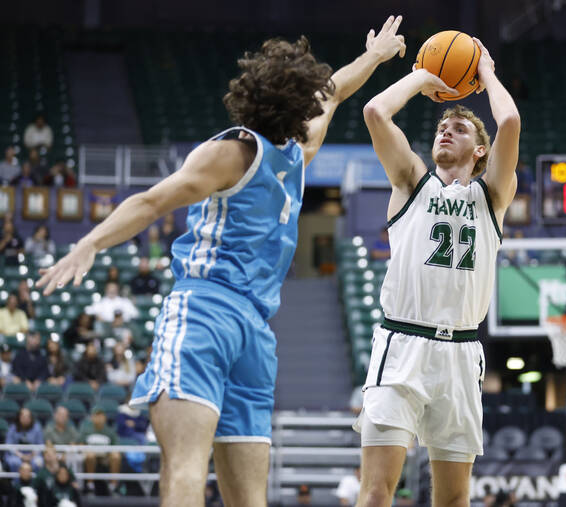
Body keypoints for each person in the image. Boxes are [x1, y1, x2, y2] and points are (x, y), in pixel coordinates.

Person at [36, 16, 406, 506]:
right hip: (255, 334)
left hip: (205, 314)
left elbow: (150, 202)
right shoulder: (297, 154)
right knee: (246, 499)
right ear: (295, 105)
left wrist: (90, 242)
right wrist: (375, 56)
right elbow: (335, 91)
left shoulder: (233, 152)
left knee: (186, 468)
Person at [356, 37, 519, 507]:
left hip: (461, 353)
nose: (446, 131)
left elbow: (508, 120)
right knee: (376, 492)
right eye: (443, 126)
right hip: (401, 343)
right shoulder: (411, 181)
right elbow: (374, 112)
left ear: (481, 152)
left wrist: (485, 72)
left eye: (460, 129)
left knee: (452, 500)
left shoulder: (491, 197)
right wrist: (424, 78)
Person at [79, 407, 121, 494]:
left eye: (101, 416)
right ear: (92, 418)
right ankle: (90, 485)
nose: (99, 418)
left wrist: (109, 454)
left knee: (116, 456)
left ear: (105, 418)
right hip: (90, 455)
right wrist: (85, 450)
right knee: (90, 456)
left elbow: (115, 446)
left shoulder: (110, 431)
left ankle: (113, 486)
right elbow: (80, 444)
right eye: (97, 416)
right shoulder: (86, 430)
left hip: (105, 456)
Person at [5, 407, 45, 471]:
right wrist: (21, 456)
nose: (26, 419)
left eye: (28, 417)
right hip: (16, 455)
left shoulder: (37, 428)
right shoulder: (12, 428)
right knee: (15, 463)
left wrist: (32, 455)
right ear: (19, 418)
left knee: (38, 462)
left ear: (31, 418)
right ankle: (16, 481)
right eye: (23, 417)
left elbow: (40, 445)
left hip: (33, 455)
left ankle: (34, 481)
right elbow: (9, 445)